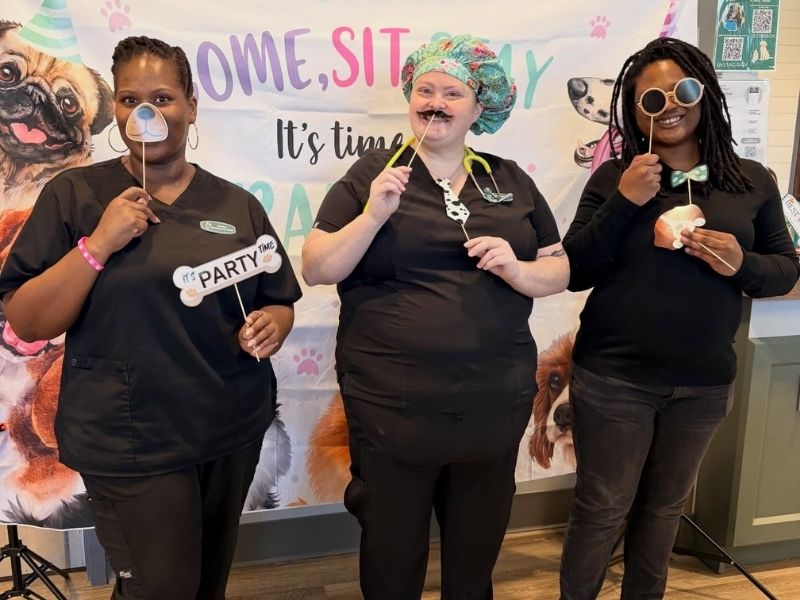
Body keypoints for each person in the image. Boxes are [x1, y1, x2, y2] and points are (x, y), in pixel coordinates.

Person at [0, 36, 301, 599]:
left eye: (162, 98)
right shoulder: (75, 195)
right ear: (115, 108)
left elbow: (278, 298)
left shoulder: (235, 205)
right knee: (162, 588)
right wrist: (99, 245)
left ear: (191, 106)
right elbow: (28, 319)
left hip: (228, 428)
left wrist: (272, 325)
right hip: (131, 439)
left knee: (206, 584)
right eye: (130, 100)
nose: (146, 113)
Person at [302, 34, 569, 599]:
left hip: (491, 406)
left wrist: (517, 269)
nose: (436, 103)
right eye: (425, 90)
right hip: (392, 409)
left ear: (478, 107)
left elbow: (559, 269)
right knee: (392, 553)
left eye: (453, 93)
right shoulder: (372, 175)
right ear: (410, 97)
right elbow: (317, 267)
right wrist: (372, 216)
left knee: (475, 556)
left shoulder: (509, 180)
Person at [559, 37, 800, 599]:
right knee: (601, 509)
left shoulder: (751, 180)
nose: (669, 106)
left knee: (664, 509)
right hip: (614, 378)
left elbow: (785, 270)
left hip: (703, 383)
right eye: (652, 99)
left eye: (683, 91)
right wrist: (625, 201)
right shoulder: (616, 178)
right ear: (634, 112)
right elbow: (574, 269)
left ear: (705, 94)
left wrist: (741, 263)